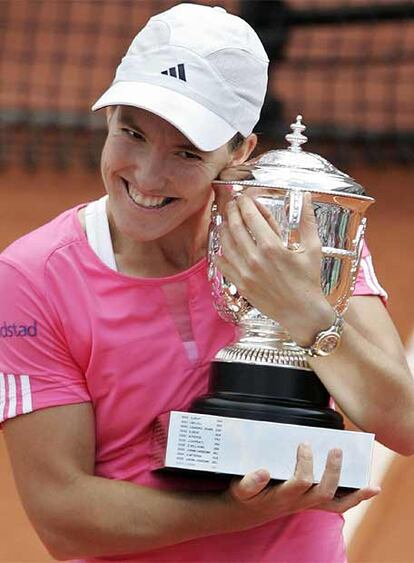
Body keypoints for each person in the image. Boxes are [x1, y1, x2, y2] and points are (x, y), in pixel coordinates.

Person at [1, 4, 413, 562]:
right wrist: (238, 511)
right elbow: (63, 516)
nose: (147, 176)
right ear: (107, 117)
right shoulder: (31, 279)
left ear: (241, 151)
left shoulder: (305, 233)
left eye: (187, 153)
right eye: (132, 133)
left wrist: (304, 310)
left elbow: (404, 424)